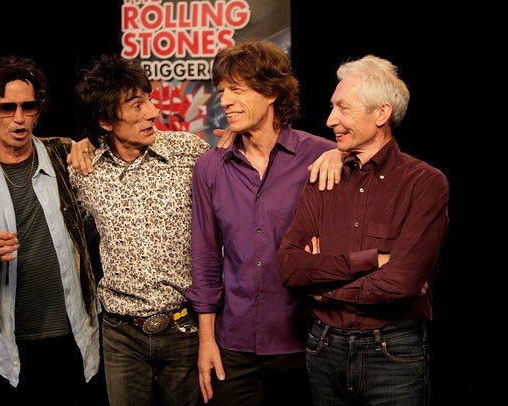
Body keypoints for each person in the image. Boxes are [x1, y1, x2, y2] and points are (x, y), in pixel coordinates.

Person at [277, 55, 449, 405]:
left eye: (343, 108)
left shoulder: (424, 183)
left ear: (381, 114)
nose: (330, 120)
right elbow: (290, 267)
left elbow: (401, 283)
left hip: (393, 353)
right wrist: (371, 260)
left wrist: (324, 291)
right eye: (332, 107)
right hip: (324, 348)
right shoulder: (324, 177)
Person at [0, 55, 100, 405]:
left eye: (28, 107)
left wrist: (88, 143)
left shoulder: (65, 155)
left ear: (38, 111)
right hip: (8, 347)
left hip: (76, 338)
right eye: (7, 108)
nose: (19, 118)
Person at [185, 39, 337, 405]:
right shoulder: (210, 166)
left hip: (303, 340)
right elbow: (205, 258)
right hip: (233, 344)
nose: (224, 100)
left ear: (271, 92)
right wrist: (207, 340)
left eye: (237, 89)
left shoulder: (321, 155)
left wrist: (343, 154)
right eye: (222, 91)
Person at [69, 54, 211, 406]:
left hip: (184, 327)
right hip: (121, 334)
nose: (152, 112)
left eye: (149, 100)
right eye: (137, 106)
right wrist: (80, 143)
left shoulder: (189, 151)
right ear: (105, 120)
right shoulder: (84, 171)